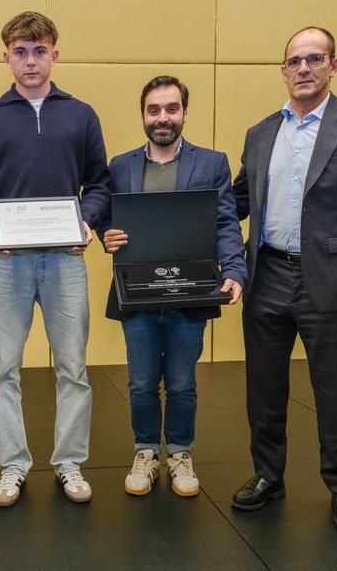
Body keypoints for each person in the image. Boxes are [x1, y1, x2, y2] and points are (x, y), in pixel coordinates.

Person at [230, 27, 337, 536]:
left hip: (335, 281)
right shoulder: (260, 134)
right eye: (294, 61)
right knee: (264, 387)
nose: (303, 68)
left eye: (314, 59)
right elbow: (234, 203)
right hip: (267, 275)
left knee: (334, 391)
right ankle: (267, 475)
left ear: (334, 65)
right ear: (283, 71)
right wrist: (165, 216)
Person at [0, 11, 111, 507]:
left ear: (55, 53)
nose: (30, 61)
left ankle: (68, 461)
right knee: (2, 368)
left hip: (66, 260)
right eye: (21, 52)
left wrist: (88, 220)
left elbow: (100, 183)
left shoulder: (81, 114)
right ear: (6, 55)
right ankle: (13, 465)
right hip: (7, 261)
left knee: (72, 367)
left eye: (40, 50)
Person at [101, 76, 246, 497]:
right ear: (143, 114)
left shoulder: (212, 163)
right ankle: (146, 450)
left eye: (171, 108)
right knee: (142, 383)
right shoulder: (120, 166)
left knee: (182, 383)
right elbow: (107, 217)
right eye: (154, 109)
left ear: (184, 112)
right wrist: (107, 231)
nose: (162, 117)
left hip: (192, 293)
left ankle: (180, 452)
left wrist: (234, 270)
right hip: (138, 294)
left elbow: (224, 222)